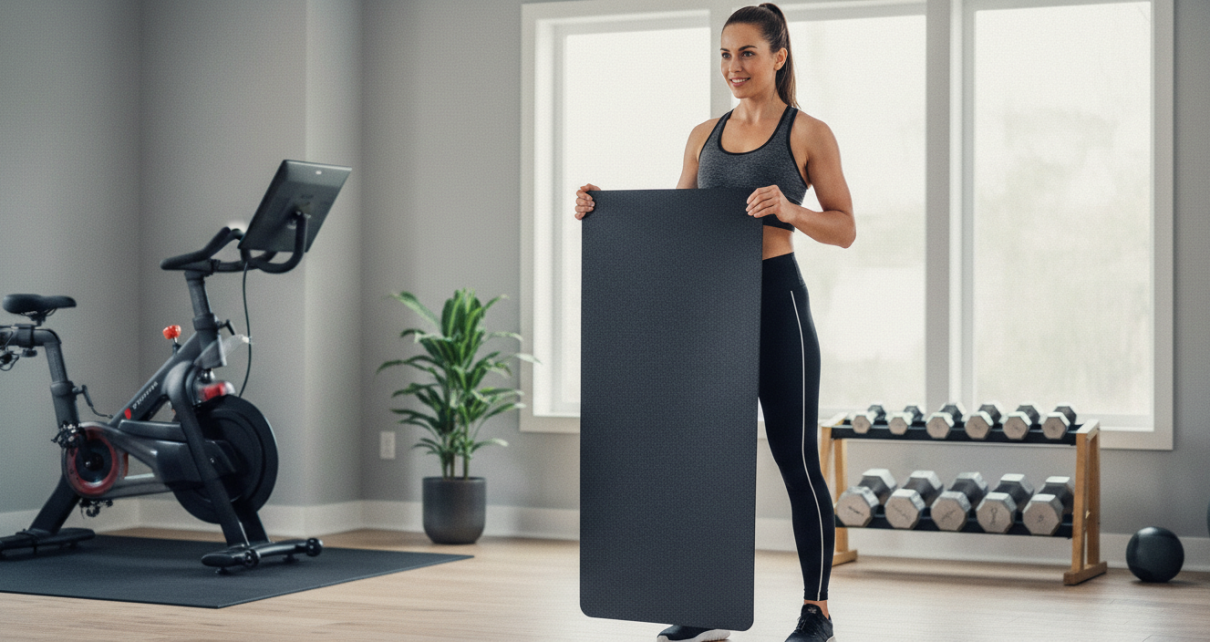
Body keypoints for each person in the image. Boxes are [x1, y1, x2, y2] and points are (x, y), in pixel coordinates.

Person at [574, 3, 855, 642]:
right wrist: (602, 210)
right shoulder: (703, 134)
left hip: (776, 302)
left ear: (779, 56)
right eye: (726, 54)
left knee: (796, 461)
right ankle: (705, 602)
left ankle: (817, 611)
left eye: (748, 53)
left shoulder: (808, 133)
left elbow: (844, 227)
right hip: (708, 313)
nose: (734, 66)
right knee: (702, 458)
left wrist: (790, 209)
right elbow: (675, 226)